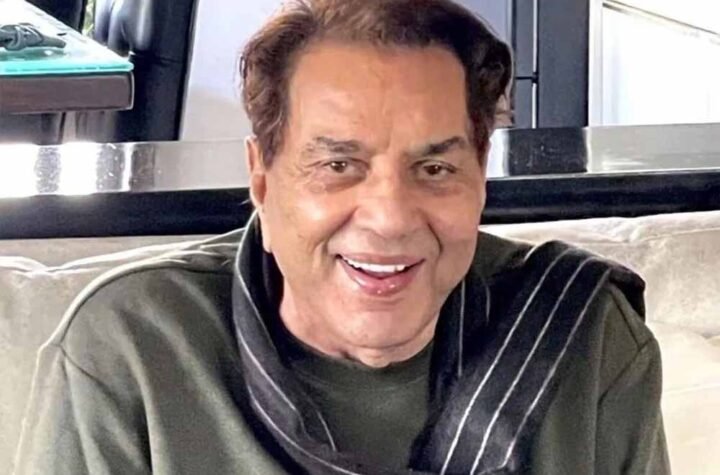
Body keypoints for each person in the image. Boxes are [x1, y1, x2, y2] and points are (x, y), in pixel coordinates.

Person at [14, 0, 669, 473]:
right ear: (262, 179)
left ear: (479, 180)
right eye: (338, 165)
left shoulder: (586, 340)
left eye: (434, 169)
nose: (390, 217)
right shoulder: (130, 348)